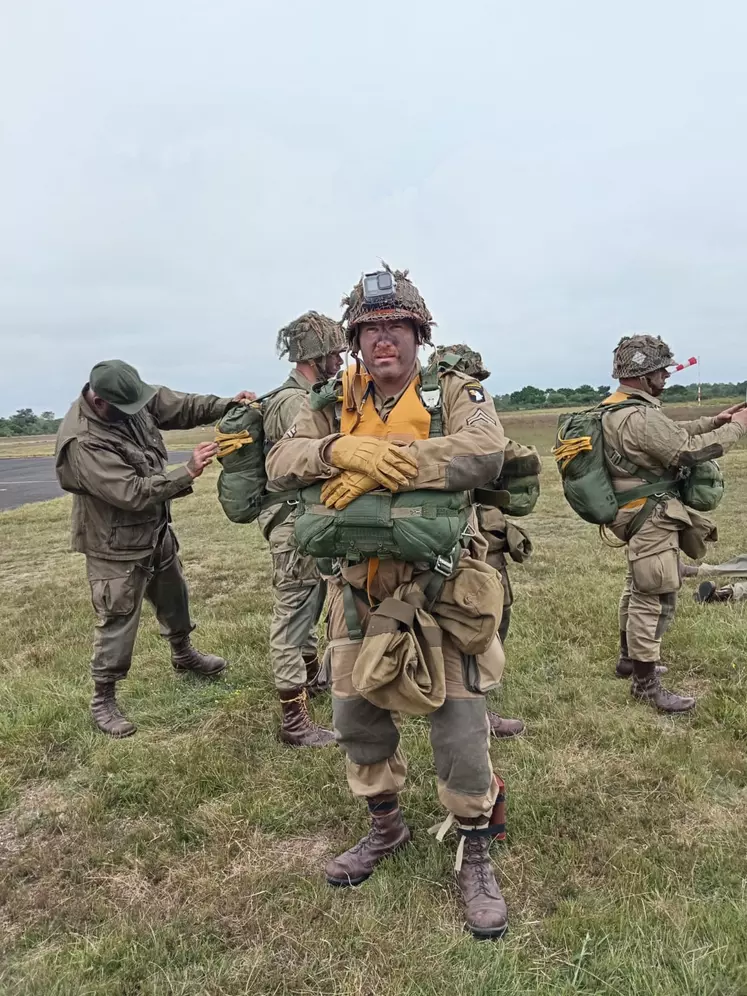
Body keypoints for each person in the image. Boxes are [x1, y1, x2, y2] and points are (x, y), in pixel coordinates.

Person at [267, 266, 512, 939]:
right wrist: (337, 448)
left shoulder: (453, 391)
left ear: (418, 334)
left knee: (460, 731)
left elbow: (483, 454)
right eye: (370, 329)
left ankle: (474, 850)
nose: (383, 340)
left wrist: (390, 458)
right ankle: (386, 828)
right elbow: (280, 462)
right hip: (355, 590)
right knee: (356, 720)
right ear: (353, 340)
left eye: (396, 327)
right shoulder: (329, 397)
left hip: (438, 587)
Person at [55, 359, 255, 738]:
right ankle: (104, 697)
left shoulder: (129, 398)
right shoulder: (83, 440)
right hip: (114, 544)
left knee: (173, 595)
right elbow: (130, 492)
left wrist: (227, 404)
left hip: (153, 529)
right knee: (117, 617)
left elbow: (178, 405)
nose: (137, 412)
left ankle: (184, 654)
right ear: (99, 402)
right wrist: (187, 471)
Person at [599, 335, 747, 711]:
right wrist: (738, 428)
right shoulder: (638, 415)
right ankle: (645, 685)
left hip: (631, 510)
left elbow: (670, 433)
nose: (666, 375)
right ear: (644, 373)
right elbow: (687, 451)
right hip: (650, 514)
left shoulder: (618, 408)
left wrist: (717, 419)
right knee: (654, 592)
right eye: (660, 369)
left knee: (637, 585)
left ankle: (629, 659)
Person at [428, 344, 538, 739]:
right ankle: (476, 707)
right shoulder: (458, 395)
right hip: (469, 524)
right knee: (486, 609)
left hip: (430, 525)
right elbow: (494, 449)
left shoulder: (419, 398)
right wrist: (527, 456)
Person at [258, 312, 345, 746]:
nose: (341, 358)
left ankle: (311, 681)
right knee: (293, 613)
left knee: (309, 602)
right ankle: (295, 721)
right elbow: (298, 466)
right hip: (292, 521)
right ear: (317, 354)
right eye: (335, 352)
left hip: (302, 518)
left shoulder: (302, 394)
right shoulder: (295, 403)